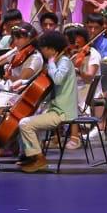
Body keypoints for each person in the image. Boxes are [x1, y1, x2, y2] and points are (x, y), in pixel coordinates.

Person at [16, 30, 78, 173]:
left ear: (51, 49)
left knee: (25, 124)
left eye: (43, 48)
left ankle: (39, 159)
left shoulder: (64, 61)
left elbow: (58, 79)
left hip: (62, 112)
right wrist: (24, 84)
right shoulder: (58, 62)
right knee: (26, 119)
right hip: (55, 109)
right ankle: (30, 156)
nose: (42, 51)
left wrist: (50, 63)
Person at [0, 22, 43, 139]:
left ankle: (4, 141)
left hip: (23, 95)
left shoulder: (35, 57)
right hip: (9, 91)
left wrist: (9, 76)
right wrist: (5, 56)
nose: (15, 42)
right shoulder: (18, 52)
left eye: (18, 38)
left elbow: (22, 81)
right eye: (14, 38)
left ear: (30, 38)